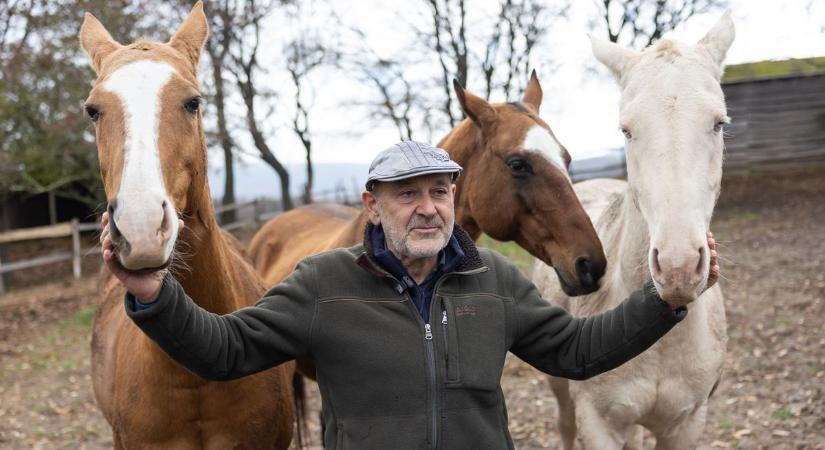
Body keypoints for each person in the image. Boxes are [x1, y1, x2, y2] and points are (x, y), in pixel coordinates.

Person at [101, 140, 720, 449]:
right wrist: (156, 295)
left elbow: (579, 350)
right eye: (407, 194)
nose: (427, 208)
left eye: (439, 192)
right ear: (373, 205)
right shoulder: (323, 284)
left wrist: (664, 300)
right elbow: (225, 349)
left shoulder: (493, 281)